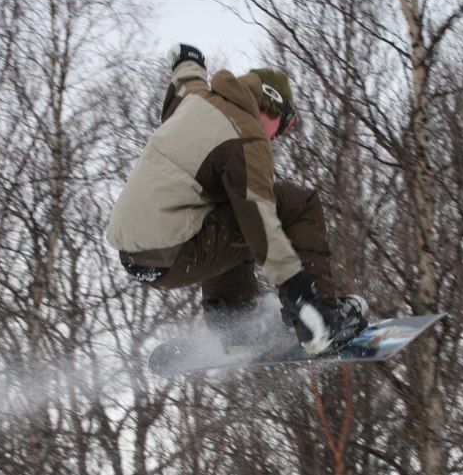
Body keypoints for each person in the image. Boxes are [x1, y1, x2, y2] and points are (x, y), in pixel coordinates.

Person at [106, 43, 368, 355]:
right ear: (269, 107)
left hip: (134, 257)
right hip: (173, 254)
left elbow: (187, 78)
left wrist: (187, 58)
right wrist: (300, 293)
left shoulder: (197, 100)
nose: (276, 137)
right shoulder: (246, 136)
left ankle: (237, 322)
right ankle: (320, 320)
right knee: (297, 202)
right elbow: (260, 222)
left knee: (227, 204)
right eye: (282, 124)